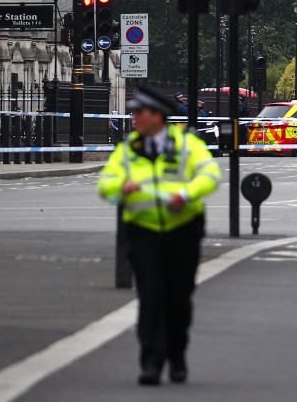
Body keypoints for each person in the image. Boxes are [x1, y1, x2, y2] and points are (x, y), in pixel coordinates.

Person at [98, 85, 221, 386]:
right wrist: (120, 189)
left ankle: (176, 356)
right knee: (150, 296)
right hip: (143, 232)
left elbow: (210, 175)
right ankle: (150, 361)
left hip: (183, 231)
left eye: (140, 112)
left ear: (158, 116)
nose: (134, 117)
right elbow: (106, 184)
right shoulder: (129, 149)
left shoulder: (186, 146)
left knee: (179, 299)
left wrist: (185, 193)